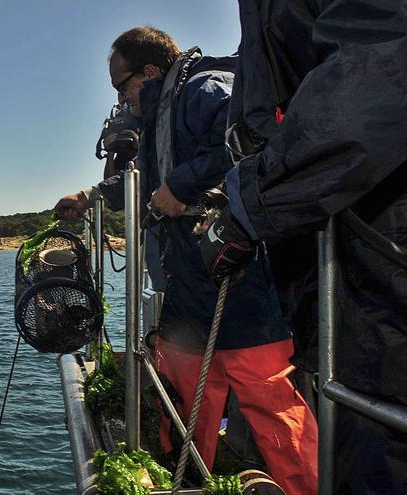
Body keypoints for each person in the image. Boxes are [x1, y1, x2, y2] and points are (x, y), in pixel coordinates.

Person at [55, 27, 318, 494]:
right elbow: (148, 181)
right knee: (182, 390)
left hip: (239, 278)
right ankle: (187, 479)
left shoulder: (203, 90)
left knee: (267, 394)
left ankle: (303, 487)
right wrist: (90, 195)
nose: (119, 98)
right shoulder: (160, 116)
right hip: (185, 282)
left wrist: (182, 185)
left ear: (150, 72)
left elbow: (250, 142)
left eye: (122, 85)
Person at [199, 1, 407, 493]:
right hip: (340, 265)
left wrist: (250, 204)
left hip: (380, 270)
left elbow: (378, 74)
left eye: (122, 85)